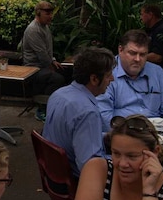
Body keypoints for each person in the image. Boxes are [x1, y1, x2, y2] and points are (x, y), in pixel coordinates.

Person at [43, 46, 116, 178]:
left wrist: (104, 136)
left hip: (55, 176)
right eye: (108, 75)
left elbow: (72, 136)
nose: (112, 79)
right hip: (76, 182)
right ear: (94, 79)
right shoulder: (87, 112)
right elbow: (90, 166)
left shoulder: (58, 94)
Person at [98, 29, 163, 129]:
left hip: (157, 136)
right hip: (120, 135)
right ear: (120, 50)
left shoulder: (157, 73)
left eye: (143, 54)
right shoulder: (107, 73)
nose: (137, 59)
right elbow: (104, 117)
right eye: (132, 53)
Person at [21, 1, 68, 120]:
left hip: (43, 65)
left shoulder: (45, 27)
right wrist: (50, 65)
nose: (50, 16)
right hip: (32, 69)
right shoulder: (33, 30)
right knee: (56, 78)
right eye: (47, 13)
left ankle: (59, 107)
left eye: (51, 13)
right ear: (38, 13)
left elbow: (47, 49)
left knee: (67, 71)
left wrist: (53, 60)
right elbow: (41, 54)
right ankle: (42, 108)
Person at [140, 4, 163, 70]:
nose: (141, 17)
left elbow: (157, 57)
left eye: (142, 14)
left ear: (150, 15)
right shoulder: (151, 30)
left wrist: (136, 57)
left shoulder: (162, 30)